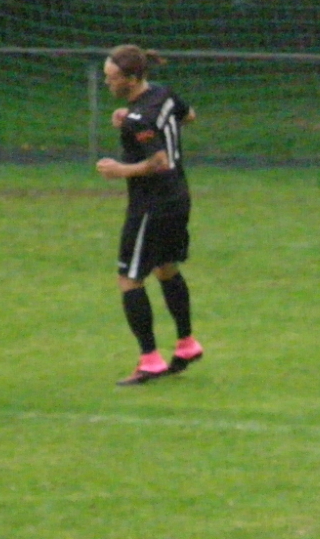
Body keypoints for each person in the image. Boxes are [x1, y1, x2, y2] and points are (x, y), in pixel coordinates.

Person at [96, 45, 203, 385]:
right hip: (178, 197)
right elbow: (188, 116)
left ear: (131, 79)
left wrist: (121, 170)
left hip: (151, 205)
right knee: (166, 267)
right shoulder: (162, 94)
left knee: (129, 278)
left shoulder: (140, 118)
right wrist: (129, 117)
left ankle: (150, 360)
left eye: (112, 78)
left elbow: (159, 161)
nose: (107, 83)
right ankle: (186, 343)